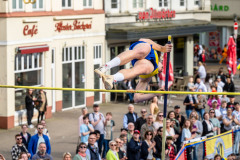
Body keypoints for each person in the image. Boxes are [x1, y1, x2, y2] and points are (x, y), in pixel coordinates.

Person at [94, 38, 172, 103]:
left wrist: (156, 94)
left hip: (144, 64)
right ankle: (105, 67)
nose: (162, 71)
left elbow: (137, 98)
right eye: (163, 68)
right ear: (161, 62)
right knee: (143, 50)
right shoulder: (156, 55)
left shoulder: (148, 76)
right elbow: (143, 39)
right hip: (143, 50)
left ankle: (112, 78)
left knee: (144, 69)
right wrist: (162, 48)